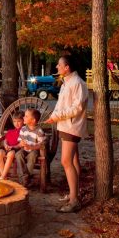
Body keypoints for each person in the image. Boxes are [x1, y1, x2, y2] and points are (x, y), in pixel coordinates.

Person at [45, 55, 89, 213]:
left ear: (67, 67)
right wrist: (54, 116)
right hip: (65, 126)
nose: (57, 67)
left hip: (72, 127)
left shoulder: (78, 83)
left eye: (59, 65)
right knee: (74, 161)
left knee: (65, 161)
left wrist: (57, 116)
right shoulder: (66, 82)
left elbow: (77, 108)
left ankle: (74, 201)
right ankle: (73, 194)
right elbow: (61, 104)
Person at [15, 108, 46, 187]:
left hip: (34, 150)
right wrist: (21, 143)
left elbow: (42, 145)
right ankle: (25, 178)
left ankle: (24, 179)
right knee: (18, 154)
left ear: (33, 120)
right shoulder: (23, 129)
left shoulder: (39, 131)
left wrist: (31, 147)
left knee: (32, 156)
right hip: (24, 150)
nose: (23, 118)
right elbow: (20, 141)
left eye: (26, 116)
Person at [0, 111, 24, 180]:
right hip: (7, 146)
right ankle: (4, 176)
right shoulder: (10, 131)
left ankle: (2, 177)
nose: (16, 123)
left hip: (16, 148)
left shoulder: (24, 131)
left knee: (10, 154)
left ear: (23, 121)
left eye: (19, 121)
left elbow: (21, 143)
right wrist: (5, 145)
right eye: (14, 121)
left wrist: (13, 147)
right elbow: (6, 140)